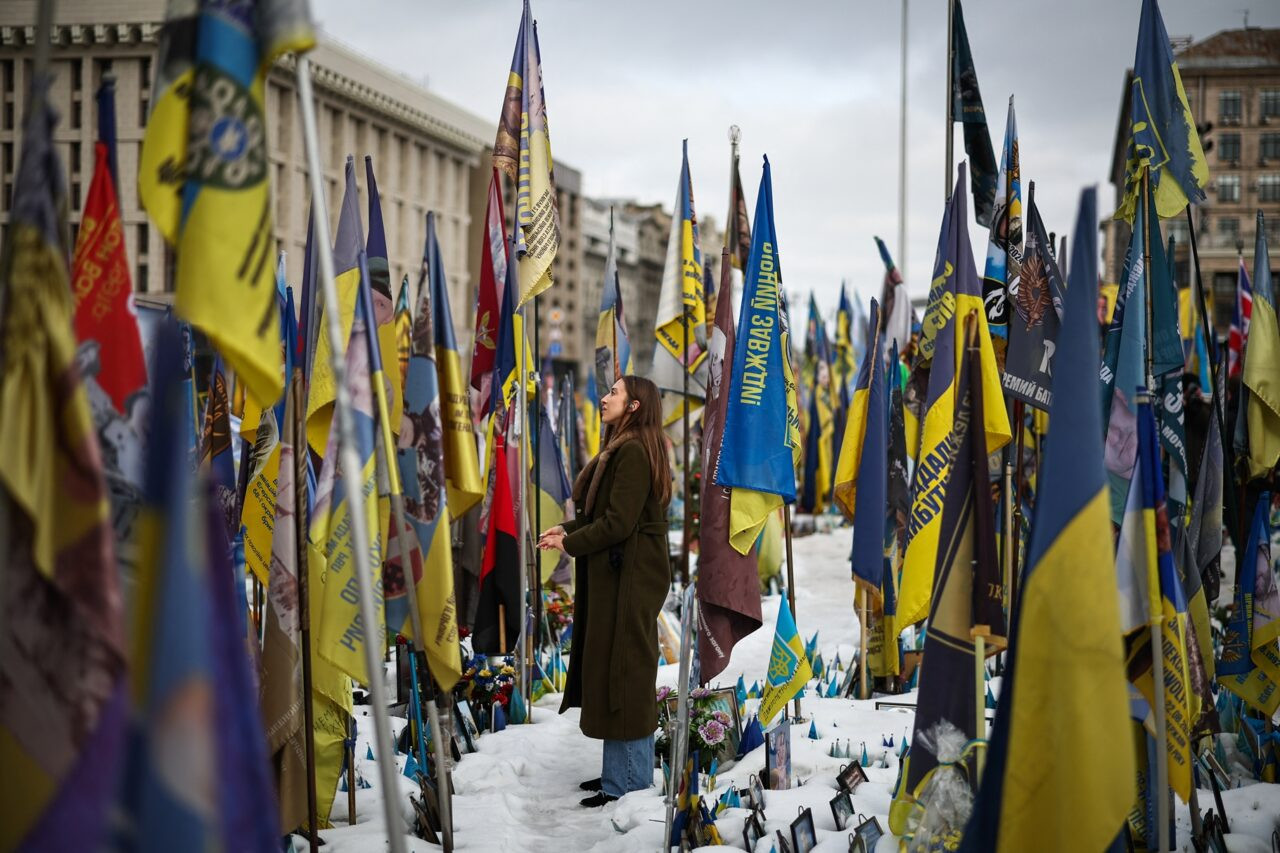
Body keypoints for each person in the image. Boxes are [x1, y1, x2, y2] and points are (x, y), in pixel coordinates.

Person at [538, 375, 672, 807]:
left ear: (634, 406)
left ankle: (629, 783)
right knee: (617, 670)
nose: (605, 397)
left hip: (631, 577)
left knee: (626, 673)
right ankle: (618, 774)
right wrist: (568, 529)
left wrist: (569, 543)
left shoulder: (632, 451)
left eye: (615, 392)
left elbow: (618, 524)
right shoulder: (628, 446)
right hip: (621, 573)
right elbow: (610, 515)